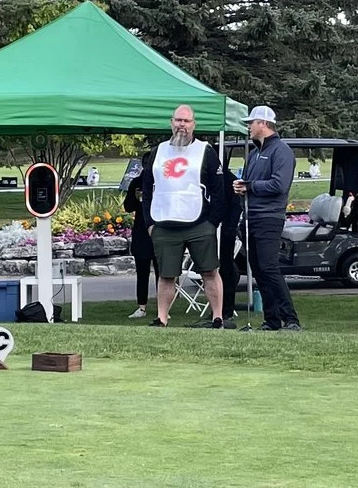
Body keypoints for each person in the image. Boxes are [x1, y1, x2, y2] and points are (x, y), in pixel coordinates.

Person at [147, 103, 229, 327]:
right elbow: (146, 190)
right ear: (171, 122)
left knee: (209, 270)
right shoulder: (158, 151)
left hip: (199, 223)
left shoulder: (205, 151)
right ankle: (162, 318)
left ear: (194, 124)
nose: (181, 125)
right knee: (166, 275)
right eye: (178, 120)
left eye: (186, 121)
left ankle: (217, 317)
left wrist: (213, 222)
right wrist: (149, 223)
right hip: (164, 222)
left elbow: (219, 189)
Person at [236, 104, 302, 330]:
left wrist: (250, 186)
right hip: (252, 217)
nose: (249, 128)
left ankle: (290, 318)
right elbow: (249, 184)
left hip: (269, 217)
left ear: (263, 124)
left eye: (251, 123)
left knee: (269, 267)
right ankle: (272, 320)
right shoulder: (254, 154)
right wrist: (242, 187)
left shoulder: (281, 150)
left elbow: (279, 184)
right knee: (259, 269)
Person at [120, 153, 154, 318]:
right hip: (141, 231)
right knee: (142, 273)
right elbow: (127, 207)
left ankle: (165, 307)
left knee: (165, 272)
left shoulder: (162, 182)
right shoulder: (136, 182)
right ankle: (142, 306)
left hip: (160, 230)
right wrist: (134, 196)